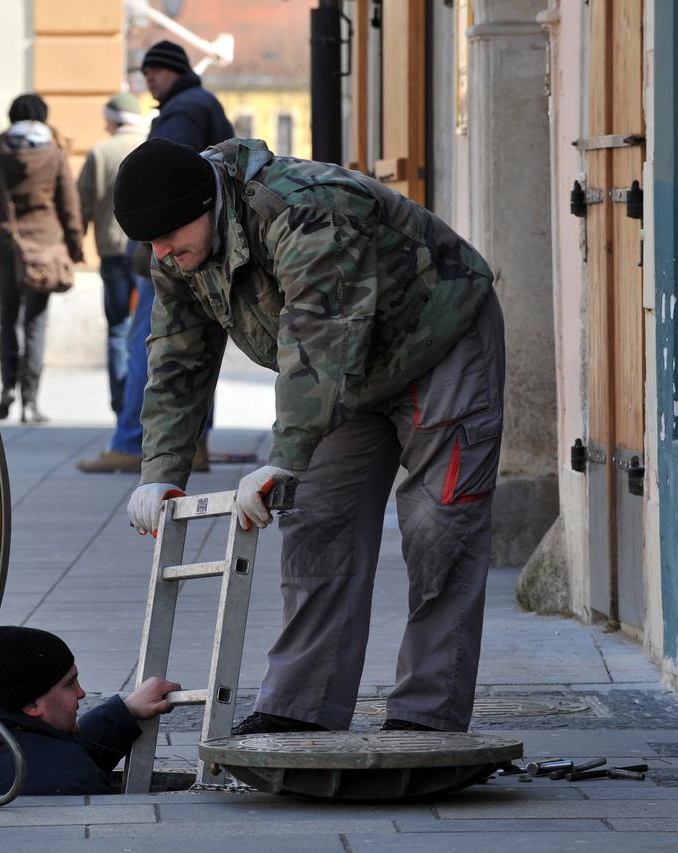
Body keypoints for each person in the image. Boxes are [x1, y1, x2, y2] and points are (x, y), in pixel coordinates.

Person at [118, 137, 503, 736]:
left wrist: (284, 457)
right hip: (345, 373)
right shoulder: (177, 250)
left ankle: (427, 716)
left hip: (438, 341)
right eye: (153, 243)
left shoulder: (308, 206)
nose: (163, 252)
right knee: (317, 522)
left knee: (439, 529)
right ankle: (301, 708)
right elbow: (176, 359)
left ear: (208, 203)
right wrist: (161, 470)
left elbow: (319, 335)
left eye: (170, 236)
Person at [77, 40, 232, 473]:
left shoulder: (182, 112)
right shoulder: (203, 104)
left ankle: (131, 443)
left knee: (146, 344)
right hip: (204, 243)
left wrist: (146, 246)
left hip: (171, 249)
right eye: (145, 74)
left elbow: (158, 180)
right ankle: (194, 443)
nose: (150, 81)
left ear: (176, 71)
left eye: (156, 73)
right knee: (197, 343)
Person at [0, 625, 180, 796]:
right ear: (31, 705)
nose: (82, 692)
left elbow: (52, 749)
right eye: (69, 684)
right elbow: (63, 762)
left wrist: (126, 709)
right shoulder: (74, 775)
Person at [0, 94, 84, 425]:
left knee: (7, 320)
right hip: (44, 248)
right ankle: (31, 401)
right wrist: (75, 247)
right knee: (35, 323)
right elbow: (69, 206)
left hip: (3, 248)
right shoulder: (55, 155)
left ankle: (6, 391)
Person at [77, 92, 148, 416]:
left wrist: (76, 243)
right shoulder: (149, 145)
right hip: (149, 249)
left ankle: (121, 407)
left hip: (112, 251)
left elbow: (83, 204)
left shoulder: (100, 152)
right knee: (148, 327)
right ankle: (143, 402)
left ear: (112, 118)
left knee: (118, 328)